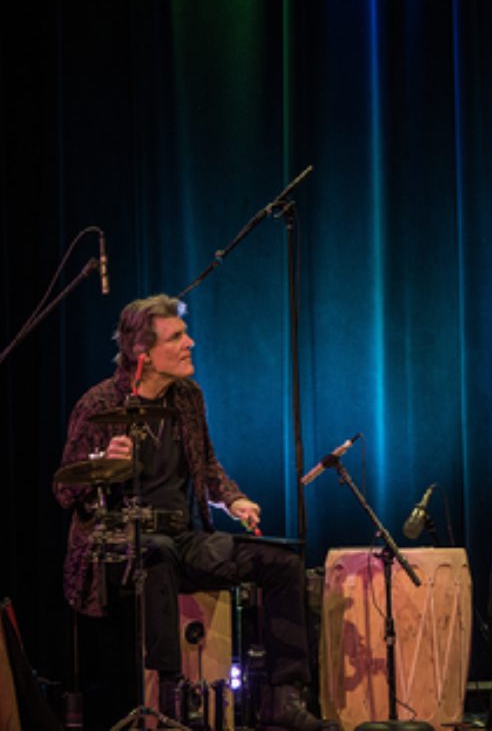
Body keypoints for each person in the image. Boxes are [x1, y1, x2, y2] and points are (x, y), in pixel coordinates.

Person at [54, 294, 336, 730]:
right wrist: (100, 465)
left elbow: (206, 466)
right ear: (142, 354)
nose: (191, 343)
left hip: (184, 539)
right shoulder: (97, 404)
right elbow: (63, 490)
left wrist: (234, 499)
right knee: (158, 554)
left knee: (282, 561)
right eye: (178, 337)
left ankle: (283, 698)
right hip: (118, 550)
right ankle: (171, 699)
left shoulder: (187, 396)